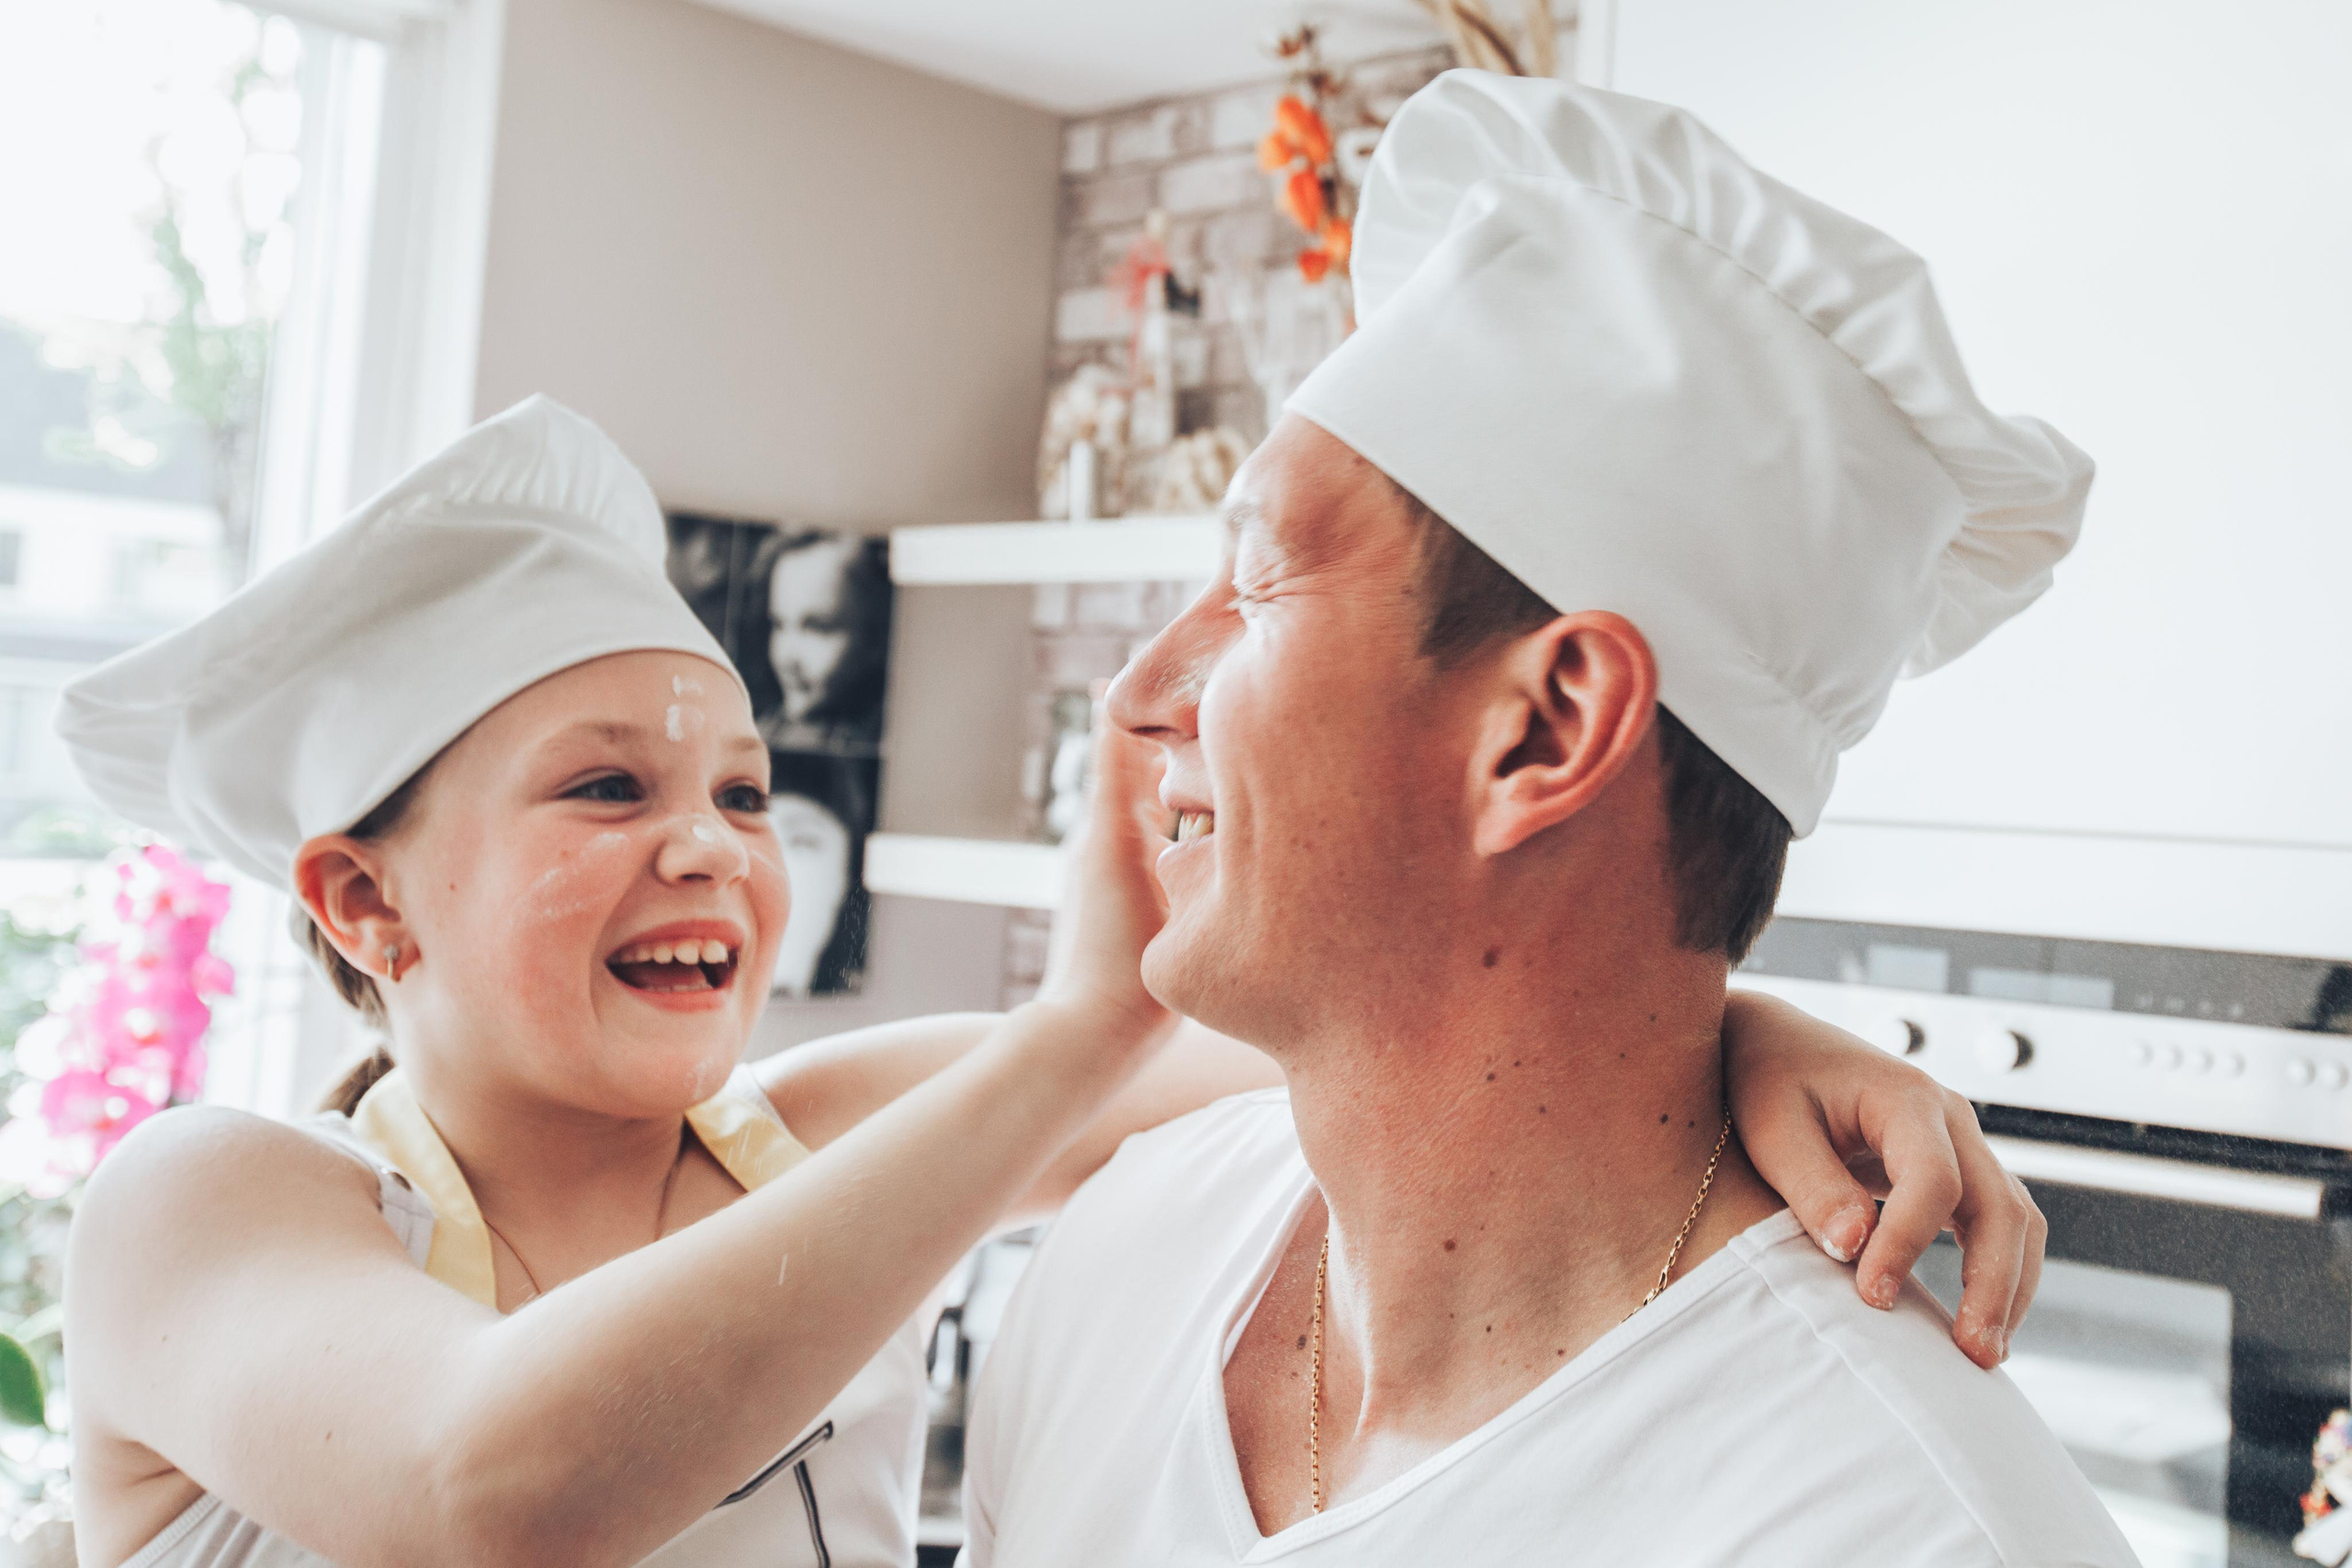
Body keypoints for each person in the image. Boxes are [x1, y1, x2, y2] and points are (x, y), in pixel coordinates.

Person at [57, 396, 2040, 1568]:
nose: (712, 846)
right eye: (608, 787)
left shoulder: (806, 1139)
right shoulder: (209, 1207)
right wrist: (1072, 1020)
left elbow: (1414, 1042)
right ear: (358, 903)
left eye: (742, 786)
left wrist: (1735, 1025)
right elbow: (483, 1475)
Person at [958, 74, 2132, 1567]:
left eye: (1255, 585)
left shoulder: (1903, 1531)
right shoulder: (1120, 1265)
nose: (1140, 686)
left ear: (1548, 727)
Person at [757, 528, 891, 757]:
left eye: (817, 628)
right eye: (778, 624)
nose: (786, 657)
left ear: (875, 639)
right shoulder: (758, 734)